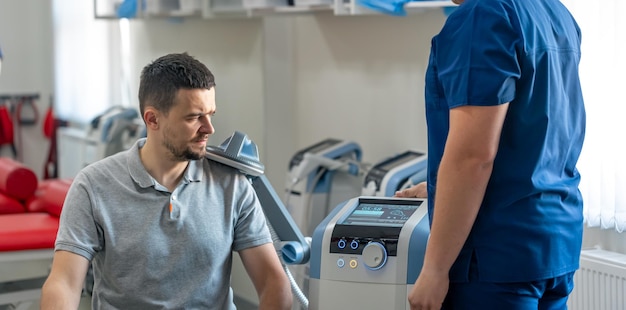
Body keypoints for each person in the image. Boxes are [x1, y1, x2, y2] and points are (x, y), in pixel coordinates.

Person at [41, 53, 293, 309]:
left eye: (210, 114)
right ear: (152, 119)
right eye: (194, 117)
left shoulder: (233, 185)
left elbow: (273, 282)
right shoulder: (93, 185)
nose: (209, 128)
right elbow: (64, 283)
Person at [396, 0, 586, 309]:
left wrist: (434, 270)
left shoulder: (483, 16)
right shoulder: (553, 12)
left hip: (495, 253)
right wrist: (440, 191)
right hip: (554, 239)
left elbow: (473, 156)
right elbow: (534, 135)